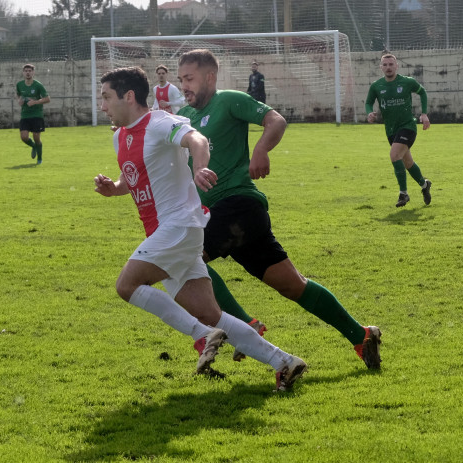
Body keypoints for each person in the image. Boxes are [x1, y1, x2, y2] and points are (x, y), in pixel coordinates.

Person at [94, 66, 306, 391]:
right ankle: (285, 362)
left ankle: (201, 337)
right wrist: (116, 188)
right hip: (169, 234)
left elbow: (197, 139)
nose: (102, 105)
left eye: (107, 97)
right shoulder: (119, 136)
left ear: (129, 96)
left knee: (127, 285)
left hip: (179, 226)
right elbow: (134, 178)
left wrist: (200, 166)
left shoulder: (160, 122)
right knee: (211, 314)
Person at [176, 49, 382, 369]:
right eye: (181, 79)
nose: (184, 85)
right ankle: (362, 335)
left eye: (189, 78)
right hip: (226, 215)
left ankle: (244, 325)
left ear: (209, 77)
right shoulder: (184, 116)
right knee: (294, 285)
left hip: (239, 205)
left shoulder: (229, 99)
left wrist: (261, 148)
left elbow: (275, 120)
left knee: (183, 257)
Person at [365, 53, 432, 208]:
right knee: (407, 162)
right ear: (381, 67)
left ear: (397, 66)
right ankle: (424, 185)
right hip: (390, 130)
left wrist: (423, 113)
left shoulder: (407, 82)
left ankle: (403, 193)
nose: (388, 67)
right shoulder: (376, 86)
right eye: (385, 65)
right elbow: (369, 102)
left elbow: (422, 92)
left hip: (408, 126)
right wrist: (369, 112)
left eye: (391, 64)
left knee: (394, 155)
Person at [16, 64, 51, 165]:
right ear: (23, 73)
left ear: (33, 72)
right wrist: (19, 101)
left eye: (29, 71)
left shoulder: (38, 85)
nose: (28, 73)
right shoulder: (19, 85)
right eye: (26, 71)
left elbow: (48, 99)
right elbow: (18, 95)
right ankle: (34, 146)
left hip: (37, 115)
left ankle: (39, 158)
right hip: (25, 115)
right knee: (24, 137)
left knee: (36, 138)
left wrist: (35, 102)